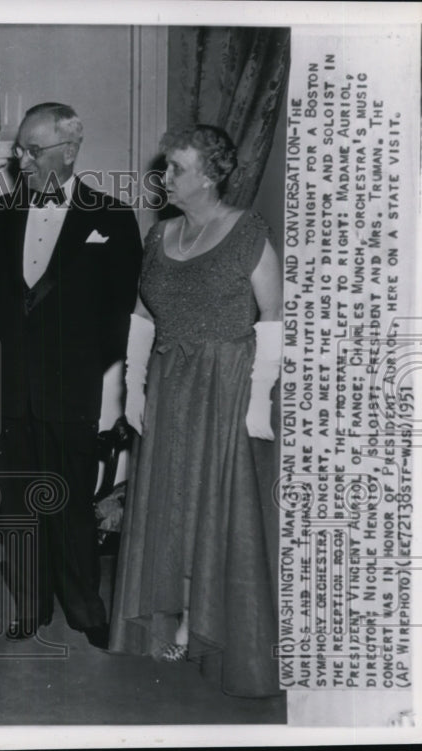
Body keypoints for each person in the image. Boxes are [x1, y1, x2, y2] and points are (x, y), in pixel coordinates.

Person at [109, 124, 283, 698]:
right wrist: (133, 389)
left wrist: (258, 400)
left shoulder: (248, 231)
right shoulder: (159, 236)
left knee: (215, 507)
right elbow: (141, 315)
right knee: (174, 505)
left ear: (208, 175)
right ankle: (179, 612)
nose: (165, 178)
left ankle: (203, 624)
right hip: (170, 382)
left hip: (226, 385)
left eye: (175, 168)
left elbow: (274, 321)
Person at [0, 102, 143, 648]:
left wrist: (87, 370)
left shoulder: (112, 217)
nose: (19, 158)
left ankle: (84, 607)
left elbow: (122, 308)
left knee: (71, 499)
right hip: (10, 386)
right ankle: (30, 604)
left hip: (73, 387)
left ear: (69, 151)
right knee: (17, 500)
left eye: (32, 149)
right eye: (19, 147)